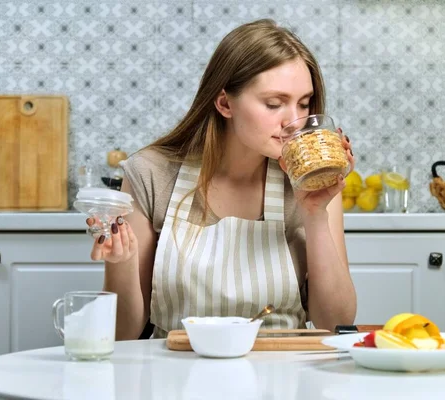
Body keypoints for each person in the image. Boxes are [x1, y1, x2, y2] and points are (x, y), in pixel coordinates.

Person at [86, 19, 357, 340]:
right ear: (225, 102)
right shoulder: (151, 173)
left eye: (303, 103)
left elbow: (336, 322)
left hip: (281, 372)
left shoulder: (312, 181)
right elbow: (123, 334)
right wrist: (123, 262)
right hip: (173, 373)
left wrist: (315, 214)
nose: (293, 121)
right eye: (274, 103)